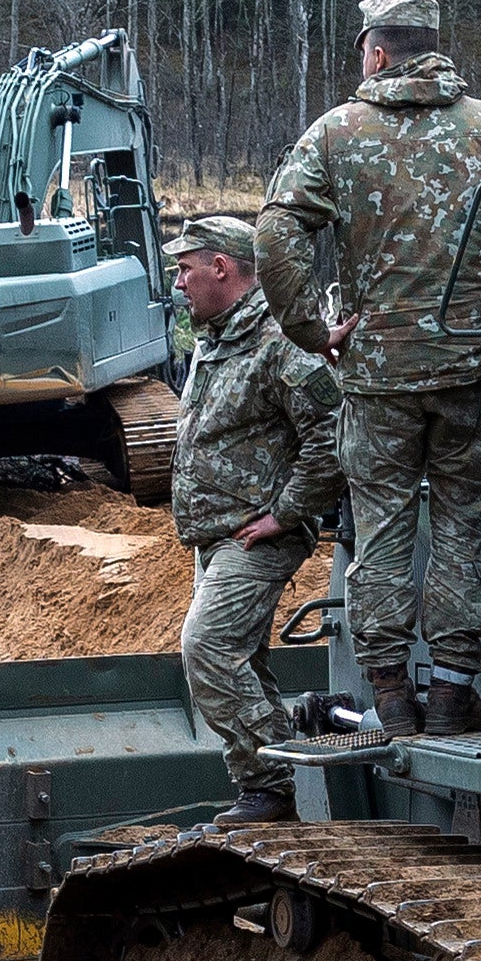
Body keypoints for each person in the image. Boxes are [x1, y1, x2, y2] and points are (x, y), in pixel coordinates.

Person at [257, 0, 481, 738]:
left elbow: (276, 231)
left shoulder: (335, 134)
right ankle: (452, 691)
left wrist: (310, 329)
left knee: (382, 529)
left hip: (378, 380)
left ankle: (389, 695)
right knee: (459, 530)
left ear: (377, 52)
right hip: (469, 375)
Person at [162, 215, 345, 826]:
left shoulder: (279, 341)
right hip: (215, 538)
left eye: (186, 268)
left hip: (255, 537)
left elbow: (330, 432)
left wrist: (288, 513)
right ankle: (280, 789)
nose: (179, 282)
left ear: (221, 267)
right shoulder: (215, 340)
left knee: (207, 648)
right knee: (243, 660)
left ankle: (271, 785)